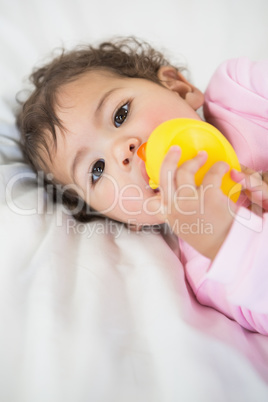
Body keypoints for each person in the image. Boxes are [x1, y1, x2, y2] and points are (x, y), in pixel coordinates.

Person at [16, 37, 268, 334]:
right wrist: (225, 242)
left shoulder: (239, 93)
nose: (121, 151)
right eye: (97, 170)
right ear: (125, 219)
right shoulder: (210, 270)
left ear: (179, 88)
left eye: (120, 114)